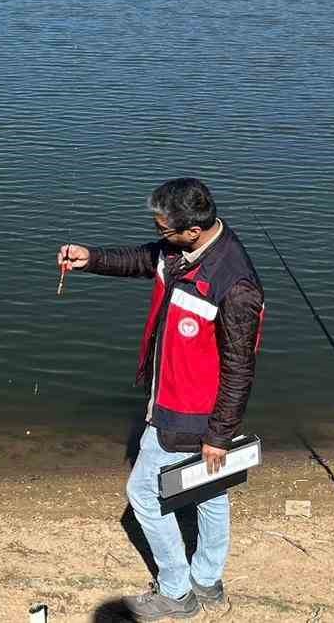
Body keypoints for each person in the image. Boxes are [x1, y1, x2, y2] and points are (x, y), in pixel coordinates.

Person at [57, 178, 264, 621]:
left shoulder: (236, 287)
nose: (159, 236)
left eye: (165, 229)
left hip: (188, 413)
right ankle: (207, 582)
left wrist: (219, 435)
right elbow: (144, 259)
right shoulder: (182, 250)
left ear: (193, 229)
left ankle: (176, 593)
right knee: (211, 492)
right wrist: (91, 258)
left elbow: (240, 369)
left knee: (144, 495)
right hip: (176, 398)